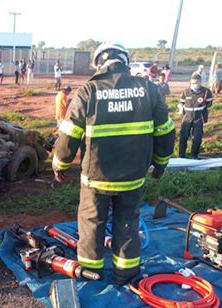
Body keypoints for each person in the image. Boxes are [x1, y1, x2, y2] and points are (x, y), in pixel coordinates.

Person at [52, 42, 175, 285]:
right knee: (127, 222)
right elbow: (166, 131)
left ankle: (91, 273)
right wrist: (160, 164)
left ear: (99, 63)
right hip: (133, 176)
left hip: (96, 177)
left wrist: (60, 166)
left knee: (91, 223)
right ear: (126, 62)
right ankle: (126, 274)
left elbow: (68, 135)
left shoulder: (89, 91)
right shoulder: (148, 89)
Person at [178, 74, 213, 159]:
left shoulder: (206, 92)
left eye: (197, 83)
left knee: (197, 138)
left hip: (198, 119)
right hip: (187, 118)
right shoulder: (186, 92)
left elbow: (209, 104)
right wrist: (180, 107)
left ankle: (193, 155)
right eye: (193, 83)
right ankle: (181, 156)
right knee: (183, 138)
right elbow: (181, 103)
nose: (195, 85)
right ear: (190, 82)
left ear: (200, 82)